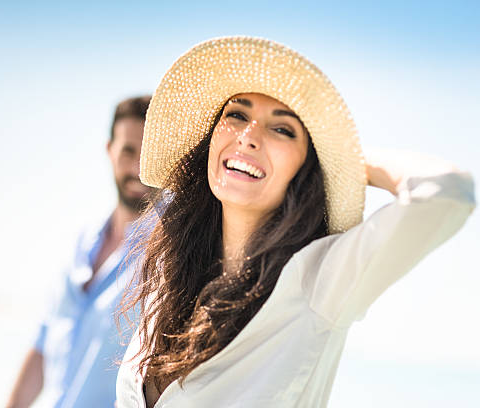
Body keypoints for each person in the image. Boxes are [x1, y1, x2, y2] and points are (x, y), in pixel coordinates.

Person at [115, 37, 476, 407]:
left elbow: (447, 192)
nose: (249, 137)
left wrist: (351, 161)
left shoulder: (319, 281)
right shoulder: (172, 271)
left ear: (305, 169)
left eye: (283, 130)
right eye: (236, 115)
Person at [7, 96, 153, 408]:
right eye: (128, 151)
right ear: (109, 150)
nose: (138, 167)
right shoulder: (82, 242)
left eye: (149, 154)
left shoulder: (170, 253)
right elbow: (44, 343)